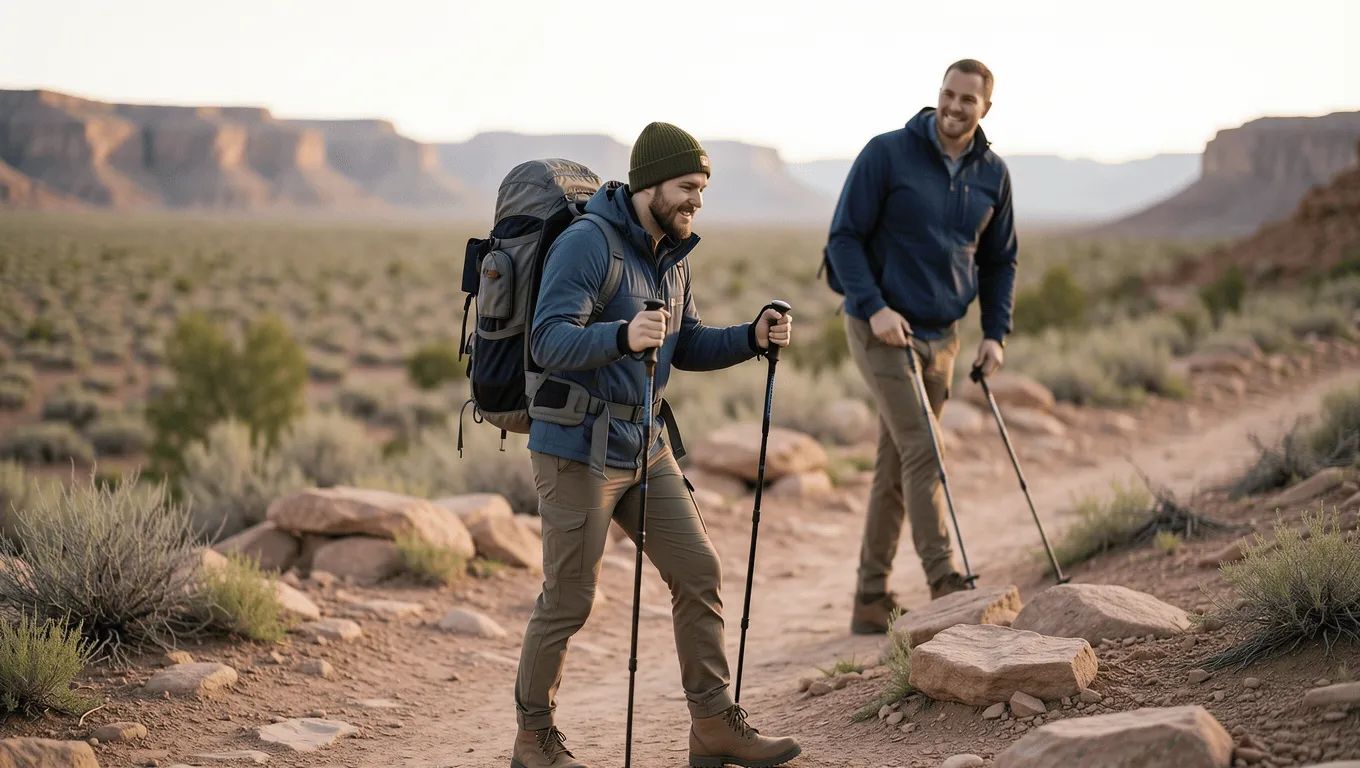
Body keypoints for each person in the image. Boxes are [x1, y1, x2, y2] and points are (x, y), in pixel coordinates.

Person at [511, 122, 801, 768]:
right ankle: (533, 740)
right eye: (687, 189)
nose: (697, 203)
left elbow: (685, 342)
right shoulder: (589, 244)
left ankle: (714, 726)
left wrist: (752, 337)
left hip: (642, 444)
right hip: (575, 446)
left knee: (699, 571)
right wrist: (620, 337)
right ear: (650, 185)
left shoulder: (672, 253)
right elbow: (547, 341)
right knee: (568, 599)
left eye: (702, 190)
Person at [825, 59, 1018, 635]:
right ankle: (945, 582)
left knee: (897, 462)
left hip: (944, 337)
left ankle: (870, 596)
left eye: (969, 100)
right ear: (939, 95)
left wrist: (995, 334)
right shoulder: (886, 153)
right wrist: (876, 307)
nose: (955, 107)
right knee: (925, 450)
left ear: (986, 108)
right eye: (948, 95)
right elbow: (843, 238)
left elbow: (999, 260)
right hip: (880, 328)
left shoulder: (993, 174)